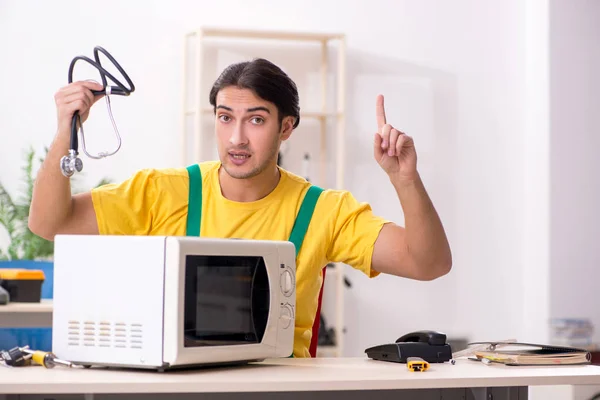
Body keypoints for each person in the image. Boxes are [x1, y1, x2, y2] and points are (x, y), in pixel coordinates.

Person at [29, 58, 452, 358]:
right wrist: (67, 130)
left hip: (283, 392)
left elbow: (428, 263)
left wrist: (404, 179)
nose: (236, 139)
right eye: (226, 117)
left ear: (286, 127)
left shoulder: (323, 210)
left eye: (256, 120)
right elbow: (49, 223)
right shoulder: (164, 191)